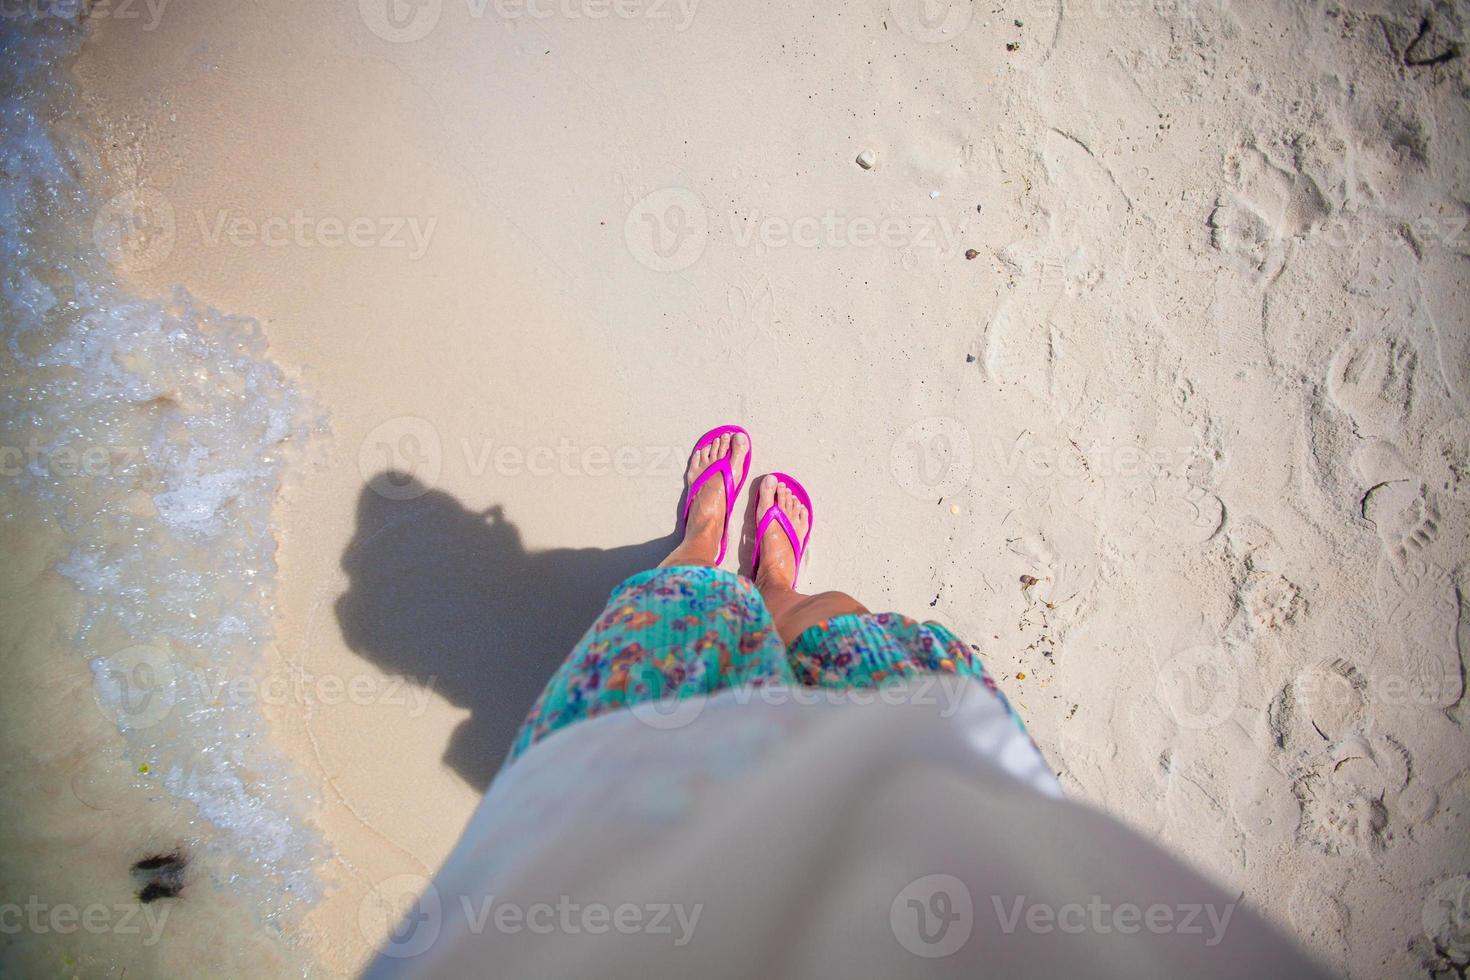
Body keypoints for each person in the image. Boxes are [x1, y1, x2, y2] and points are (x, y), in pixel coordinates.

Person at [364, 426, 1332, 980]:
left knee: (683, 606)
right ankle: (774, 575)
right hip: (936, 805)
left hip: (603, 826)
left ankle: (708, 539)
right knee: (831, 623)